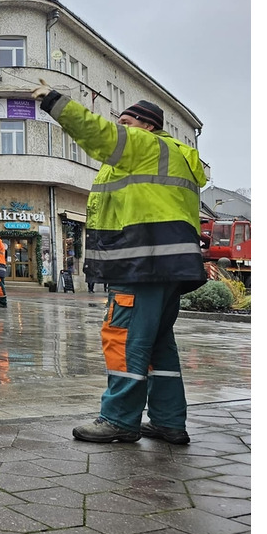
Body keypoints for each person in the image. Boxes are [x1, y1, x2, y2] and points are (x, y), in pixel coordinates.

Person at [32, 81, 206, 446]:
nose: (121, 127)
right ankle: (168, 421)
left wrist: (53, 102)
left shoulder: (145, 146)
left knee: (124, 339)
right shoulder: (172, 158)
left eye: (127, 121)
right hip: (167, 267)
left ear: (147, 126)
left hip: (142, 263)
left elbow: (98, 133)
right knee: (159, 346)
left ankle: (119, 419)